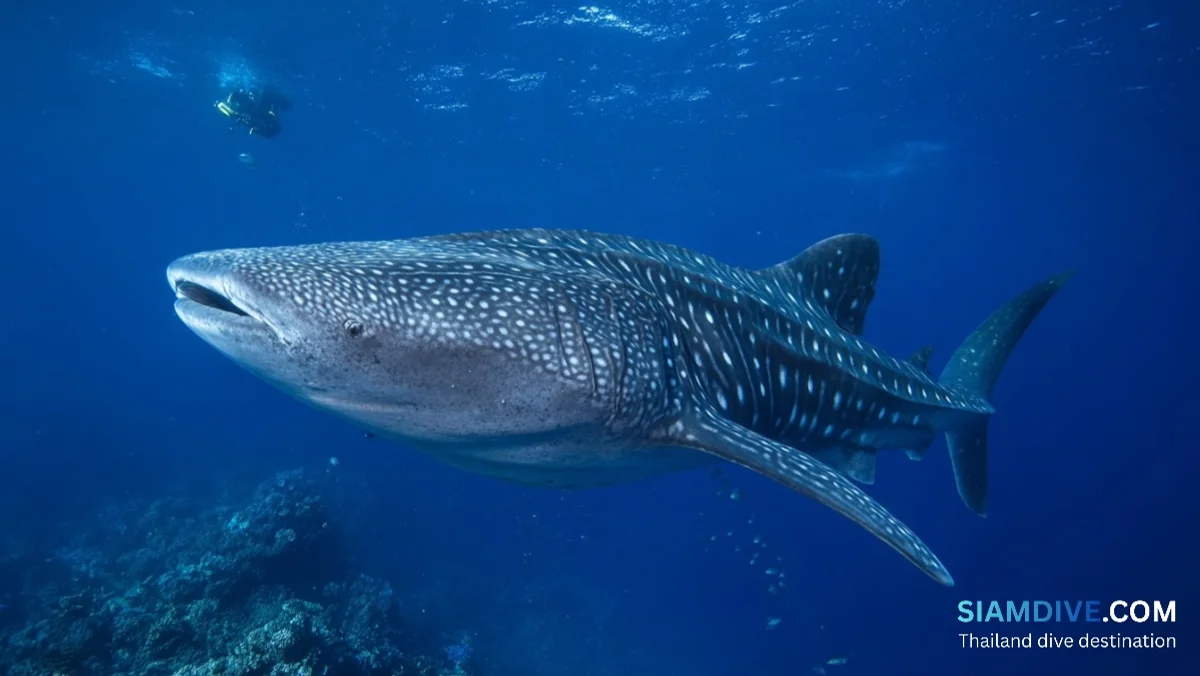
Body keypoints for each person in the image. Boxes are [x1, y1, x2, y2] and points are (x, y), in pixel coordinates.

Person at [216, 85, 292, 138]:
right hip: (256, 107)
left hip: (251, 110)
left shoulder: (255, 119)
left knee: (234, 113)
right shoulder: (267, 106)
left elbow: (236, 111)